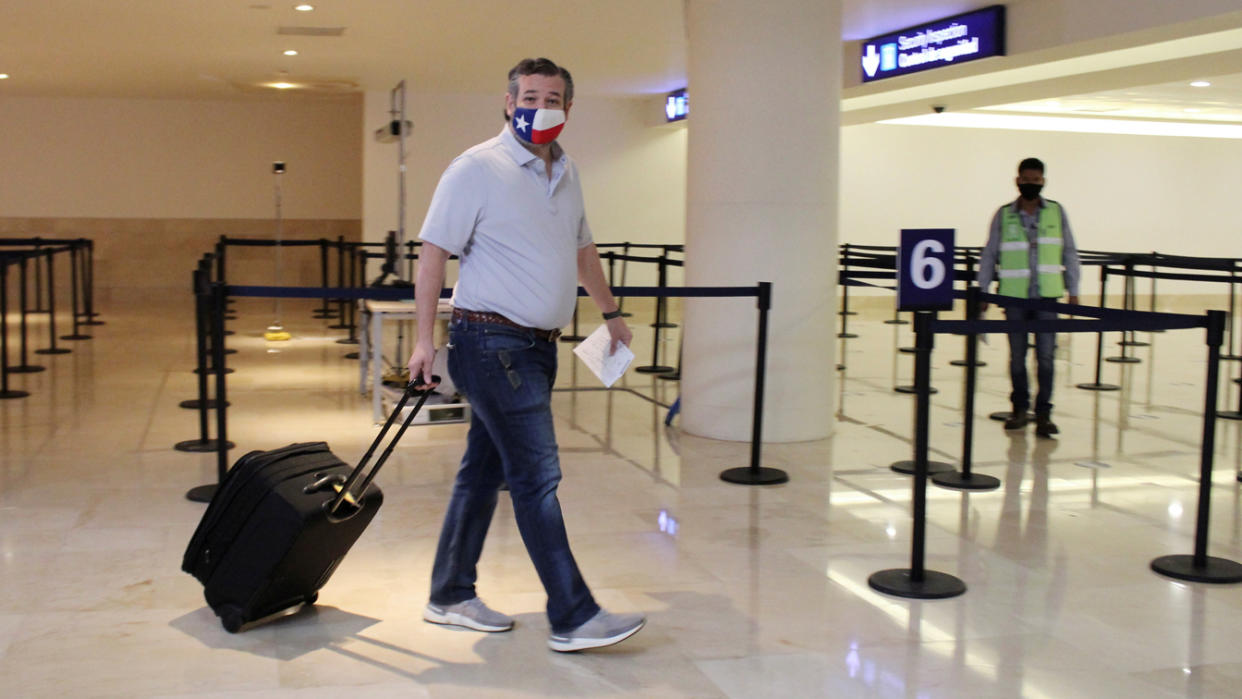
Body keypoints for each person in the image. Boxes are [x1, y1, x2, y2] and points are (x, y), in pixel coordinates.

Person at [405, 57, 645, 652]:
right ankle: (573, 614)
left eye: (555, 96)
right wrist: (421, 340)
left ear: (569, 108)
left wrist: (611, 314)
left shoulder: (567, 172)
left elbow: (583, 247)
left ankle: (449, 594)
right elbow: (433, 255)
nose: (542, 104)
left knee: (481, 475)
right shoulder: (476, 169)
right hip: (490, 343)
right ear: (509, 102)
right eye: (531, 95)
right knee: (537, 478)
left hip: (537, 349)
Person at [976, 157, 1081, 438]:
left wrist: (1074, 290)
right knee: (1017, 357)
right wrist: (983, 289)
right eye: (1026, 180)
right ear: (1017, 181)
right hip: (1014, 298)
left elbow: (1069, 251)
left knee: (1046, 357)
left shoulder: (1056, 213)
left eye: (1036, 181)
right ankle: (1020, 409)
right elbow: (990, 254)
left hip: (1047, 296)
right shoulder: (1004, 214)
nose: (1031, 185)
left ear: (1043, 182)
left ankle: (1044, 412)